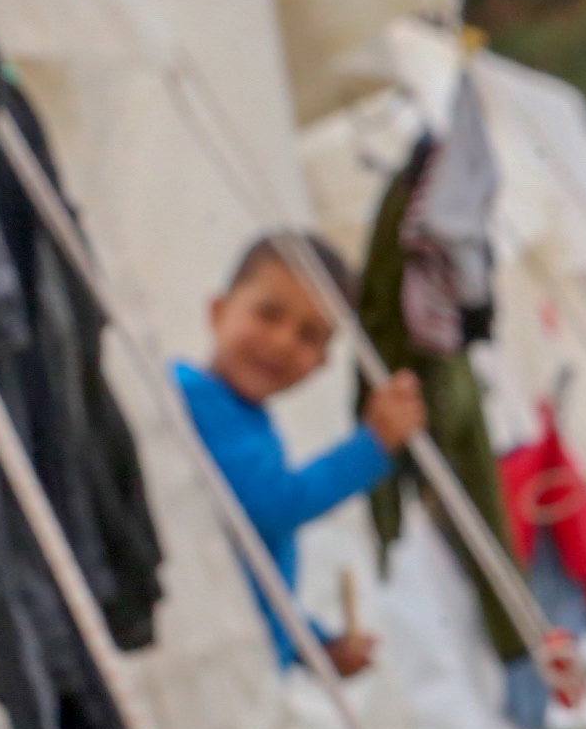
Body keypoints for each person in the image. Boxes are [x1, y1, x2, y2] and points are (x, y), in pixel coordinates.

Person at [175, 232, 425, 676]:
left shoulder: (250, 420)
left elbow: (252, 569)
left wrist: (314, 645)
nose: (283, 342)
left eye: (310, 336)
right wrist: (371, 446)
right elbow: (269, 507)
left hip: (242, 664)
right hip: (200, 664)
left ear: (323, 363)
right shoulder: (188, 398)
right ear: (218, 311)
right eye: (268, 314)